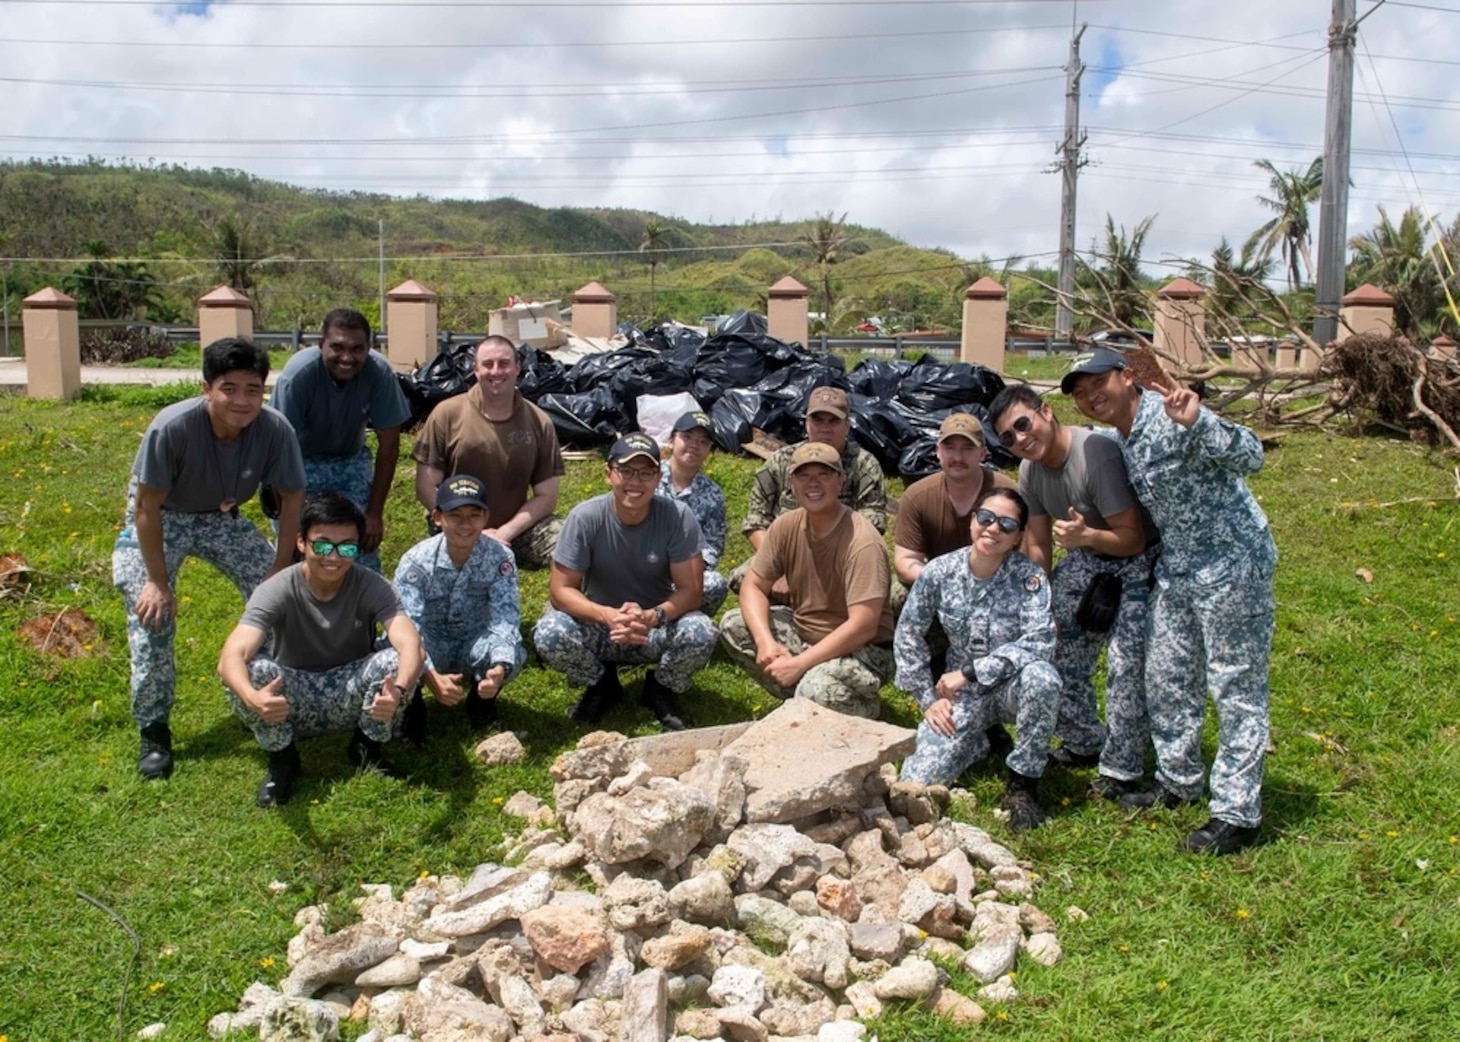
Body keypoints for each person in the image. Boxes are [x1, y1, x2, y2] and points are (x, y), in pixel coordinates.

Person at [1064, 347, 1276, 856]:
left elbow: (1252, 456)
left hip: (1233, 562)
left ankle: (1236, 812)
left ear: (1128, 376)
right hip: (1177, 570)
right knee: (1166, 677)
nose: (1091, 395)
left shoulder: (1174, 412)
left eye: (1098, 381)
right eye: (1079, 392)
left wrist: (1200, 420)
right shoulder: (1118, 442)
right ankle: (1179, 782)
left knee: (1235, 686)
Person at [113, 337, 306, 781]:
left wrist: (278, 571)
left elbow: (293, 500)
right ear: (207, 388)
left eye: (253, 389)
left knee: (282, 603)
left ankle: (269, 696)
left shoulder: (275, 429)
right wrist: (158, 582)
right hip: (161, 517)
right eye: (229, 388)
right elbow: (146, 508)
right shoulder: (172, 427)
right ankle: (154, 726)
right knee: (151, 616)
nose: (242, 400)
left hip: (221, 515)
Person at [989, 383, 1160, 801]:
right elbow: (1039, 544)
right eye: (1008, 438)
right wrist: (1039, 602)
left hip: (1138, 562)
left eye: (1023, 424)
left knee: (1125, 665)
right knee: (1052, 643)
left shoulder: (1094, 455)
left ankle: (1122, 768)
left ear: (1046, 411)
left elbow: (1133, 539)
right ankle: (1084, 740)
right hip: (1087, 556)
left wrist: (1086, 535)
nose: (1020, 439)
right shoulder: (1030, 470)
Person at [218, 492, 425, 807]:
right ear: (301, 543)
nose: (334, 556)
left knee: (396, 661)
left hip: (353, 694)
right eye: (323, 545)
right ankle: (282, 760)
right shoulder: (276, 588)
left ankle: (367, 748)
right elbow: (231, 656)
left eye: (347, 547)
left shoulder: (372, 585)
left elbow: (410, 643)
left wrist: (397, 691)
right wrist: (254, 699)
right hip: (293, 698)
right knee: (252, 671)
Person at [895, 488, 1062, 832]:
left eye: (1006, 524)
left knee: (1043, 677)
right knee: (914, 783)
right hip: (961, 696)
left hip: (1010, 687)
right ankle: (981, 740)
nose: (992, 529)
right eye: (985, 518)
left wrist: (972, 672)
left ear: (1017, 537)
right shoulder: (939, 572)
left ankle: (1023, 784)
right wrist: (927, 700)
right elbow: (908, 633)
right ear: (973, 522)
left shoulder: (1028, 578)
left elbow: (1040, 641)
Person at [533, 433, 717, 731]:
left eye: (646, 473)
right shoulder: (584, 518)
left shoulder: (677, 517)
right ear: (609, 474)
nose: (636, 481)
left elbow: (691, 591)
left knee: (700, 631)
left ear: (658, 478)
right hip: (602, 627)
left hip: (653, 628)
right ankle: (602, 684)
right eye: (627, 471)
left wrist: (652, 616)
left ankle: (661, 687)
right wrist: (608, 615)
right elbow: (560, 590)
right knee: (550, 633)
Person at [719, 442, 896, 720]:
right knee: (734, 625)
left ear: (841, 481)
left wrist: (799, 663)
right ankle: (806, 695)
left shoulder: (862, 542)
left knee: (815, 689)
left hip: (865, 650)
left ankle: (862, 710)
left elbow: (863, 626)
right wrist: (766, 643)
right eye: (803, 475)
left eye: (824, 475)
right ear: (791, 484)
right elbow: (753, 586)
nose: (813, 483)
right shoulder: (785, 526)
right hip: (806, 633)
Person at [269, 308, 412, 573]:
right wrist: (289, 515)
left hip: (350, 461)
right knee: (299, 549)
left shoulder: (379, 372)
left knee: (360, 543)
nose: (347, 357)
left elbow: (390, 444)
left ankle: (361, 610)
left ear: (369, 348)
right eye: (337, 347)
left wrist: (374, 513)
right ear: (321, 345)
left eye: (357, 349)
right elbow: (278, 447)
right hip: (299, 462)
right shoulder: (298, 375)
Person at [412, 336, 564, 568]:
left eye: (504, 363)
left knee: (570, 546)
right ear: (475, 369)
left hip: (515, 530)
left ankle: (562, 604)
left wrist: (503, 534)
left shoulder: (539, 421)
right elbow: (426, 487)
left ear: (517, 368)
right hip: (456, 525)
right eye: (488, 364)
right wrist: (472, 530)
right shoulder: (446, 414)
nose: (496, 371)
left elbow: (547, 496)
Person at [394, 474, 526, 733]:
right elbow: (408, 627)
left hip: (472, 643)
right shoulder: (416, 562)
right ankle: (413, 705)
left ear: (486, 518)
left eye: (474, 515)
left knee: (514, 653)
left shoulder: (500, 557)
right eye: (455, 515)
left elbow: (505, 617)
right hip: (429, 645)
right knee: (395, 654)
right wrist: (430, 676)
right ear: (437, 517)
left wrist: (498, 667)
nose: (465, 524)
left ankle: (481, 702)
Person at [732, 385, 887, 597]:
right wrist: (781, 564)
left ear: (847, 426)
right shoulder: (780, 461)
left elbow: (872, 527)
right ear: (806, 423)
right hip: (785, 554)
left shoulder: (864, 465)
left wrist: (822, 569)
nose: (825, 428)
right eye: (818, 420)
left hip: (842, 558)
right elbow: (756, 520)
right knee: (742, 577)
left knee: (880, 587)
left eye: (833, 421)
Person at [893, 412, 1015, 594]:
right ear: (938, 451)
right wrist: (947, 582)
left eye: (967, 448)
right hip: (940, 584)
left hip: (996, 584)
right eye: (950, 448)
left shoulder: (1008, 494)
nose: (958, 457)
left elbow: (1026, 553)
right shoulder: (917, 496)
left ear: (983, 453)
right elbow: (905, 561)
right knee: (899, 593)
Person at [657, 410, 729, 615]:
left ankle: (679, 620)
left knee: (714, 583)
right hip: (641, 567)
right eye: (687, 437)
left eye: (703, 442)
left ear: (709, 451)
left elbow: (712, 546)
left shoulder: (712, 494)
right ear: (671, 441)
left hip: (685, 574)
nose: (694, 445)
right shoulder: (648, 477)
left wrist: (682, 571)